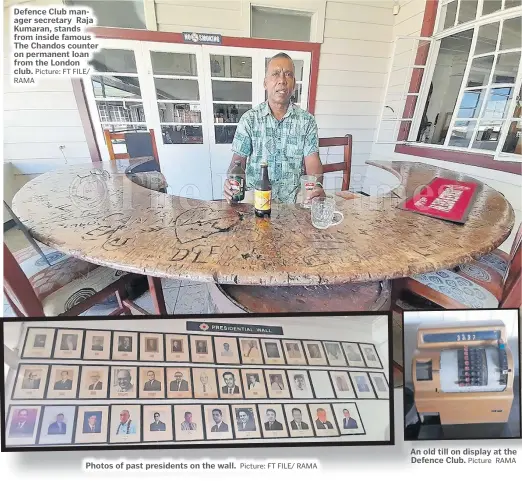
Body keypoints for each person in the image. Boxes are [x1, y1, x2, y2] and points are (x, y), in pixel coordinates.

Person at [223, 52, 325, 204]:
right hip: (255, 196)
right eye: (275, 74)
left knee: (317, 210)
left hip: (293, 197)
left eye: (288, 74)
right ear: (265, 83)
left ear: (294, 84)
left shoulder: (307, 121)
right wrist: (231, 182)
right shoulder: (249, 119)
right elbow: (237, 162)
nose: (282, 81)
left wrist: (316, 185)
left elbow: (313, 163)